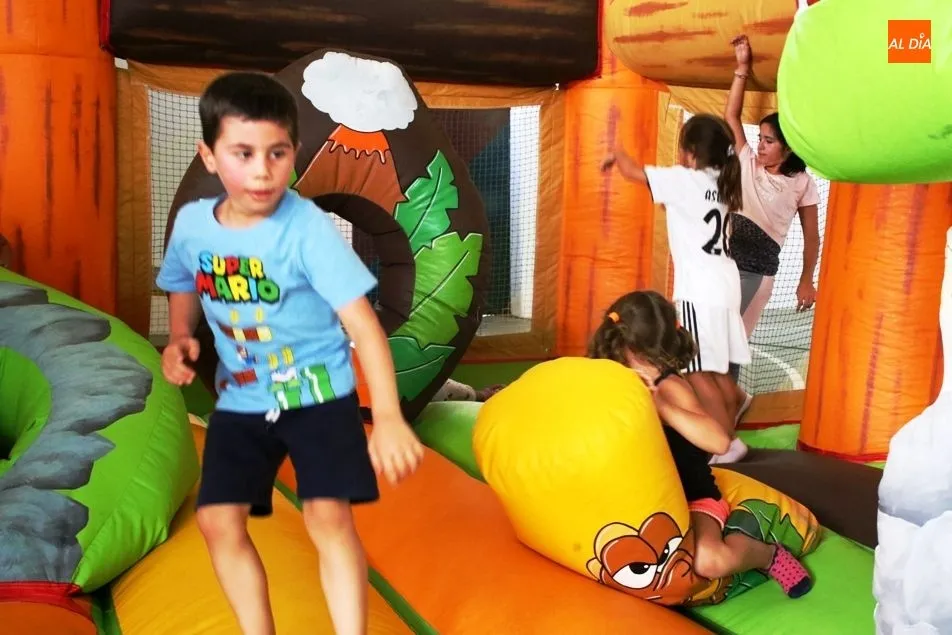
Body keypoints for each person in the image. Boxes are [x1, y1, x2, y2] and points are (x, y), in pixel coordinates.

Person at [156, 71, 424, 635]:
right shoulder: (193, 226)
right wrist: (180, 336)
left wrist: (390, 418)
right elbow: (183, 283)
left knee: (328, 518)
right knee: (217, 521)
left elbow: (363, 324)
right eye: (244, 153)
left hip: (319, 394)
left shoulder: (306, 229)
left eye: (276, 153)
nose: (262, 170)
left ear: (294, 153)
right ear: (209, 156)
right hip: (244, 399)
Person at [588, 290, 813, 598]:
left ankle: (767, 555)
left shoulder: (669, 386)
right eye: (638, 358)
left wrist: (659, 404)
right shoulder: (610, 380)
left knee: (709, 561)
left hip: (691, 496)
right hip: (643, 496)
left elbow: (718, 442)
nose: (648, 367)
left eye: (653, 359)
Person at [601, 113, 752, 464]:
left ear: (691, 152)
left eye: (682, 148)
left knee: (696, 370)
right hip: (725, 284)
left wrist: (616, 150)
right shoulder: (723, 181)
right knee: (714, 368)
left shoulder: (685, 179)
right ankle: (736, 408)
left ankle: (726, 444)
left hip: (700, 290)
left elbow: (633, 172)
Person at [724, 35, 821, 346]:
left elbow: (812, 237)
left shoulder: (802, 183)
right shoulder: (748, 162)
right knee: (714, 340)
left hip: (759, 273)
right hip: (728, 264)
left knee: (733, 343)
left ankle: (727, 381)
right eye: (760, 139)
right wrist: (742, 67)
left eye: (769, 141)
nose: (761, 146)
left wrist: (806, 280)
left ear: (788, 148)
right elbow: (731, 116)